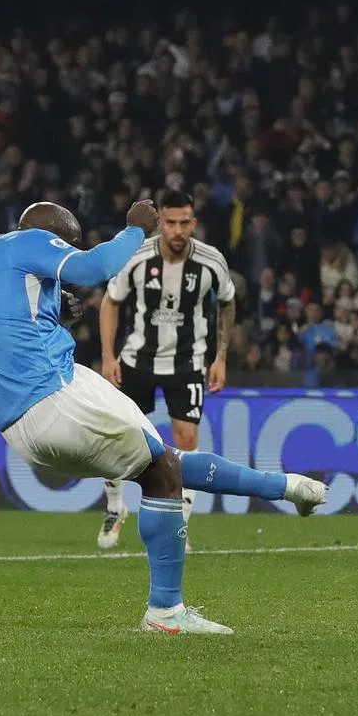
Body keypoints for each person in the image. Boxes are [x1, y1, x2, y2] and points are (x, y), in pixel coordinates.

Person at [0, 199, 326, 634]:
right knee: (164, 469)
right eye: (63, 246)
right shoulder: (26, 242)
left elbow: (9, 334)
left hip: (19, 427)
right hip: (53, 394)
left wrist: (57, 316)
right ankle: (166, 613)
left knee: (162, 464)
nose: (61, 258)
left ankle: (289, 487)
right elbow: (96, 268)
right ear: (45, 234)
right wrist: (134, 229)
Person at [97, 191, 235, 551]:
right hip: (137, 359)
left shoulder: (211, 261)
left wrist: (220, 357)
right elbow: (111, 302)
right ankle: (114, 507)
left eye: (184, 223)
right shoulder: (137, 257)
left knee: (186, 441)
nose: (177, 230)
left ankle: (179, 526)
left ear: (194, 223)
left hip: (188, 362)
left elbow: (227, 302)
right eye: (170, 223)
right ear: (159, 224)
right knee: (115, 435)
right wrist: (108, 357)